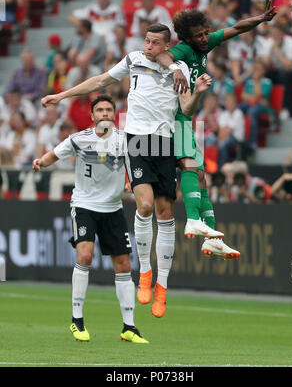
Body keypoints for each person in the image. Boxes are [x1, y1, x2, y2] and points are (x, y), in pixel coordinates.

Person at [41, 23, 221, 318]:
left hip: (165, 141)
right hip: (136, 140)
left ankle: (162, 286)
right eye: (146, 41)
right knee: (146, 205)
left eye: (154, 43)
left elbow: (186, 110)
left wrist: (198, 92)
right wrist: (61, 96)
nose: (147, 46)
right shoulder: (134, 59)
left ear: (166, 46)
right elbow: (99, 81)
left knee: (166, 214)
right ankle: (146, 273)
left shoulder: (180, 70)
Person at [154, 0, 276, 258]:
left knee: (201, 178)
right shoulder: (184, 50)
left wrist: (261, 18)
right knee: (189, 168)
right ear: (187, 37)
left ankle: (212, 237)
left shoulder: (207, 42)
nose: (203, 38)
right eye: (197, 35)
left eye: (205, 33)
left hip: (187, 118)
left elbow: (236, 28)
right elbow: (161, 55)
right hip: (173, 118)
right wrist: (175, 68)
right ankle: (192, 219)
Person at [33, 94, 149, 343]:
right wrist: (41, 162)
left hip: (113, 208)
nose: (105, 114)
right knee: (84, 255)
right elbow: (55, 154)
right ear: (92, 115)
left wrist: (131, 181)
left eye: (109, 110)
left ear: (114, 114)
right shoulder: (79, 139)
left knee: (124, 265)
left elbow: (136, 165)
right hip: (84, 205)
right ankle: (77, 321)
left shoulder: (125, 140)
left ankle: (129, 327)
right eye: (100, 110)